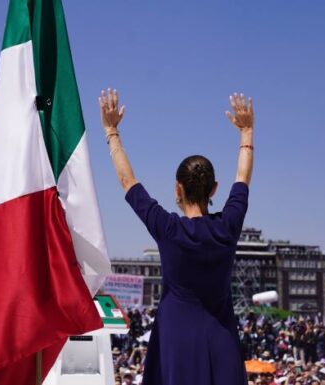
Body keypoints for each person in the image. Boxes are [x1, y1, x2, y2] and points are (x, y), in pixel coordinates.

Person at [100, 89, 254, 385]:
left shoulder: (168, 229)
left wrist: (111, 132)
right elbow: (243, 179)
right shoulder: (228, 226)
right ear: (214, 190)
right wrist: (246, 133)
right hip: (220, 338)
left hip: (176, 340)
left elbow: (128, 182)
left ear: (177, 189)